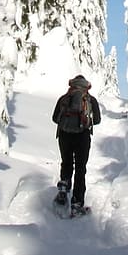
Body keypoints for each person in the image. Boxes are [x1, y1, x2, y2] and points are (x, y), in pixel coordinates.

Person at [52, 74, 101, 215]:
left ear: (72, 84)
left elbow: (55, 118)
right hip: (83, 137)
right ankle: (77, 204)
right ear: (86, 85)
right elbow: (97, 120)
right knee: (80, 169)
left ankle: (64, 186)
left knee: (66, 163)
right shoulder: (90, 100)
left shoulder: (64, 98)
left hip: (64, 135)